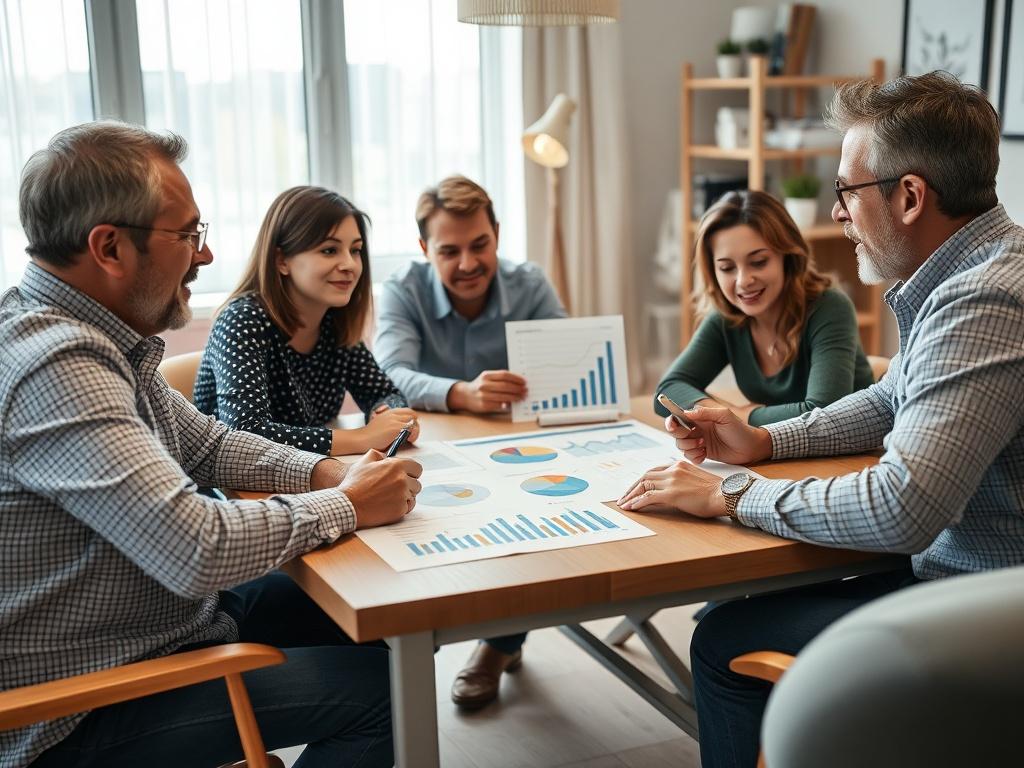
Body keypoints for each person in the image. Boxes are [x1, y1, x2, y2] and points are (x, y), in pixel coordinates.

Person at [619, 71, 1024, 767]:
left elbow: (904, 507)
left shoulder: (983, 302)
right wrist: (768, 440)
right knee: (736, 614)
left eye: (846, 190)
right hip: (973, 574)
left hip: (992, 602)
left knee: (722, 642)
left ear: (908, 197)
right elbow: (891, 399)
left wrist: (729, 492)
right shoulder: (974, 271)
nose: (836, 211)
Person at [0, 121, 423, 768]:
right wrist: (347, 506)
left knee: (383, 623)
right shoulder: (56, 365)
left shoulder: (99, 340)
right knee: (388, 693)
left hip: (158, 627)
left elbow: (213, 446)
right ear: (109, 247)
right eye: (188, 234)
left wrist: (331, 472)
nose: (203, 255)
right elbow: (194, 547)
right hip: (81, 708)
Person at [373, 175, 566, 709]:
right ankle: (410, 653)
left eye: (479, 245)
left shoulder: (529, 283)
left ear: (498, 235)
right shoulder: (402, 289)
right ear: (423, 250)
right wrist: (460, 393)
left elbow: (570, 353)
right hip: (433, 452)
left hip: (516, 447)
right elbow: (388, 374)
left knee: (534, 527)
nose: (467, 264)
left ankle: (498, 644)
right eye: (449, 250)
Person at [193, 186, 420, 456]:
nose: (349, 264)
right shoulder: (242, 320)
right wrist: (362, 438)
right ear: (281, 261)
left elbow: (383, 391)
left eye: (355, 250)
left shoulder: (332, 321)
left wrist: (388, 414)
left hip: (303, 477)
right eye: (329, 250)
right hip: (231, 490)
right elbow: (246, 432)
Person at [655, 189, 874, 427]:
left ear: (787, 257)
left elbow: (824, 415)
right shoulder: (727, 318)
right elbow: (667, 392)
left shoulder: (829, 307)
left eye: (758, 262)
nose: (743, 281)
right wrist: (725, 413)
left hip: (849, 454)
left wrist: (742, 417)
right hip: (777, 453)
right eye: (727, 268)